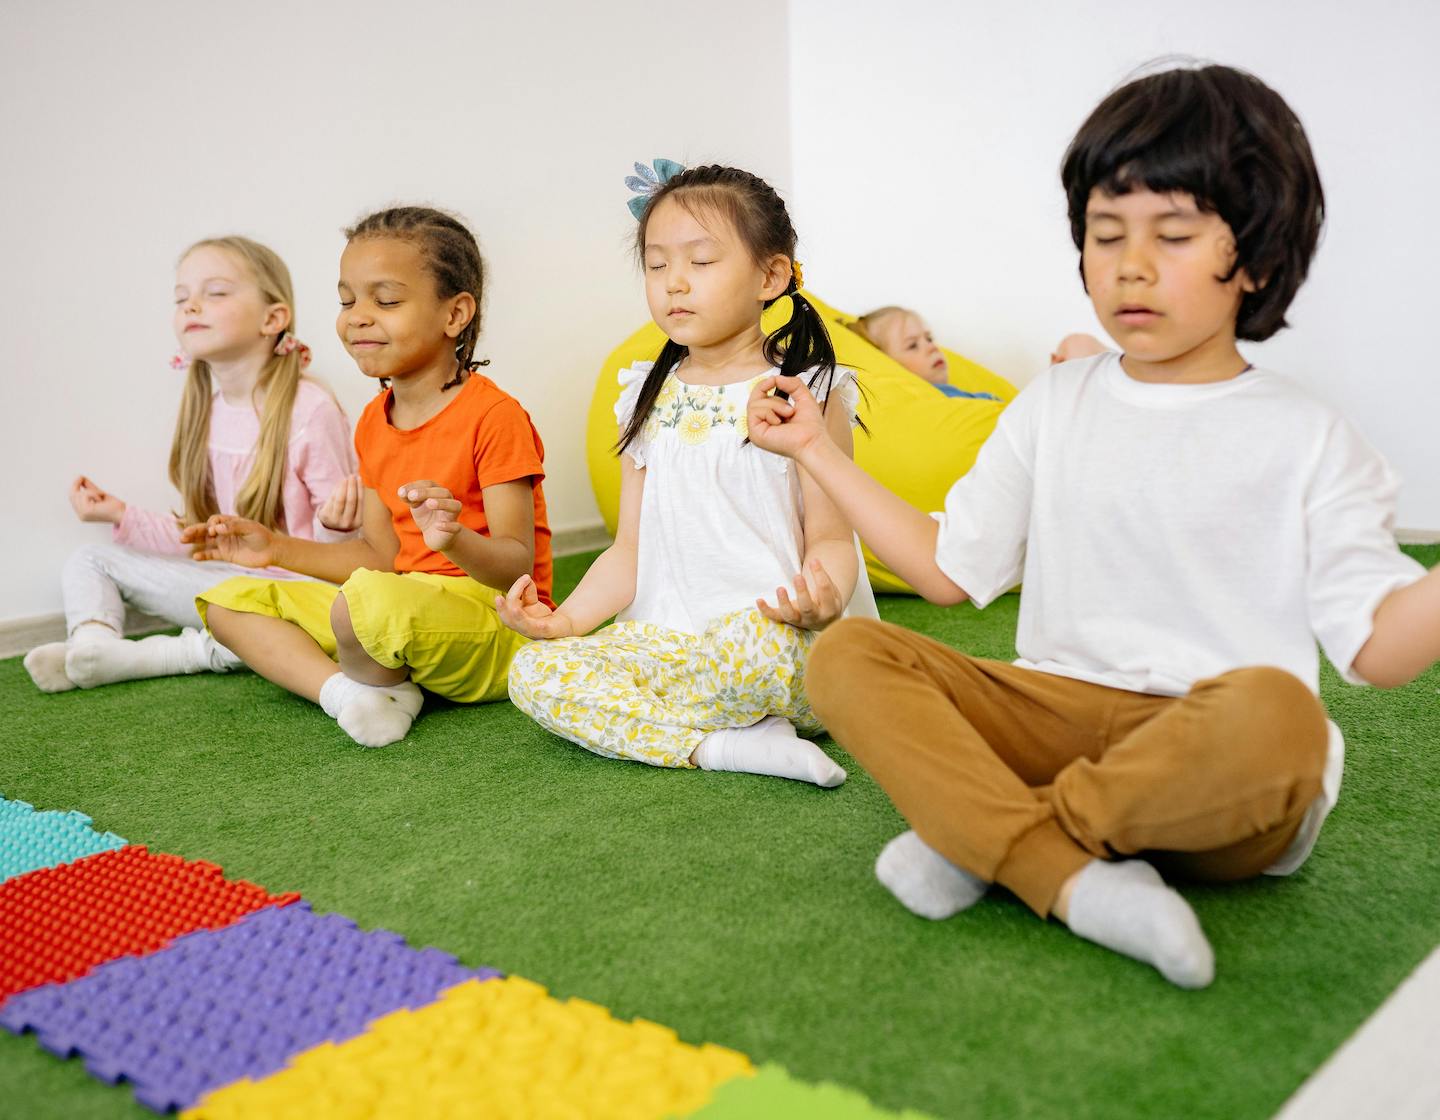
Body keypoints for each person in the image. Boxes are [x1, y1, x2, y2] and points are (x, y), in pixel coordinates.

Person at [745, 64, 1436, 987]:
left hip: (1213, 763)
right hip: (1053, 715)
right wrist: (817, 455)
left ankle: (987, 840)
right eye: (1106, 235)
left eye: (1175, 235)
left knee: (1284, 718)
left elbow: (1380, 653)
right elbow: (951, 572)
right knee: (849, 656)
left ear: (1260, 260)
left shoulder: (1310, 437)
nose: (1130, 265)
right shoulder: (1054, 402)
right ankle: (1064, 876)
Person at [498, 162, 875, 787]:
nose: (674, 283)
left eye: (701, 262)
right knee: (535, 674)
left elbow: (832, 539)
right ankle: (725, 746)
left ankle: (723, 719)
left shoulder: (807, 389)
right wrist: (563, 622)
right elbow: (629, 550)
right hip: (671, 644)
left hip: (776, 643)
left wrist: (822, 598)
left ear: (771, 275)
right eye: (656, 264)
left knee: (754, 654)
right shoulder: (643, 395)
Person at [187, 207, 552, 749]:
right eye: (346, 300)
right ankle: (348, 695)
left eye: (385, 301)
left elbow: (514, 567)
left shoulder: (494, 415)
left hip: (495, 622)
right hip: (395, 604)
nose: (357, 316)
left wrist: (452, 538)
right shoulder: (371, 421)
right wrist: (274, 549)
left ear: (455, 315)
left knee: (365, 604)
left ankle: (381, 684)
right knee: (230, 601)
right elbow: (381, 557)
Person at [23, 236, 355, 694]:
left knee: (254, 615)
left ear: (273, 318)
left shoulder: (310, 410)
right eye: (182, 298)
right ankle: (95, 647)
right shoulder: (207, 410)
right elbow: (202, 540)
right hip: (230, 583)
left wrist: (336, 526)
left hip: (296, 593)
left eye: (215, 293)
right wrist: (121, 516)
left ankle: (184, 652)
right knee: (89, 558)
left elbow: (346, 555)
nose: (192, 306)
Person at [850, 306, 1001, 399]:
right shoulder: (938, 398)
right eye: (913, 345)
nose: (932, 347)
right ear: (888, 364)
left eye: (929, 338)